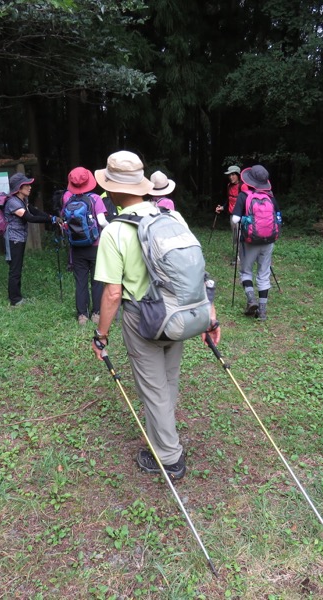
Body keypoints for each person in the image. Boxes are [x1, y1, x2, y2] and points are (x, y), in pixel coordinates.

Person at [91, 151, 220, 481]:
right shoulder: (173, 219)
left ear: (113, 191)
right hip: (180, 314)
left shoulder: (115, 232)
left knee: (153, 387)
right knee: (168, 379)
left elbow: (113, 294)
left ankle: (169, 457)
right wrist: (210, 317)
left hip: (143, 319)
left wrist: (101, 336)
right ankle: (165, 433)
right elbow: (198, 271)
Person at [231, 165, 280, 321]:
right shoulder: (270, 197)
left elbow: (235, 219)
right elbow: (278, 217)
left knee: (246, 271)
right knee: (263, 273)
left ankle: (251, 300)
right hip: (268, 240)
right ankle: (263, 311)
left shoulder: (243, 196)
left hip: (249, 241)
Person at [61, 167, 109, 325]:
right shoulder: (96, 199)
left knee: (80, 281)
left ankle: (82, 315)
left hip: (76, 248)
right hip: (95, 246)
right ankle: (96, 313)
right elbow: (102, 221)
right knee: (97, 280)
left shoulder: (69, 200)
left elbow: (65, 224)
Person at [3, 172, 56, 306]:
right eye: (26, 185)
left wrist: (51, 217)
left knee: (18, 267)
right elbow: (30, 218)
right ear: (19, 188)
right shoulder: (13, 203)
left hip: (20, 237)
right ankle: (15, 300)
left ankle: (17, 296)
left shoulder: (23, 200)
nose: (30, 187)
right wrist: (51, 221)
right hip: (13, 239)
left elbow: (35, 211)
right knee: (15, 269)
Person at [216, 165, 241, 264]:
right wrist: (222, 207)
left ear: (238, 175)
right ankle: (237, 255)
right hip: (232, 214)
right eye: (230, 175)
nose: (231, 177)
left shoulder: (243, 186)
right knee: (235, 236)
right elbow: (229, 199)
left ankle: (240, 258)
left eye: (233, 174)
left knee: (240, 236)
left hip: (240, 215)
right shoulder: (229, 186)